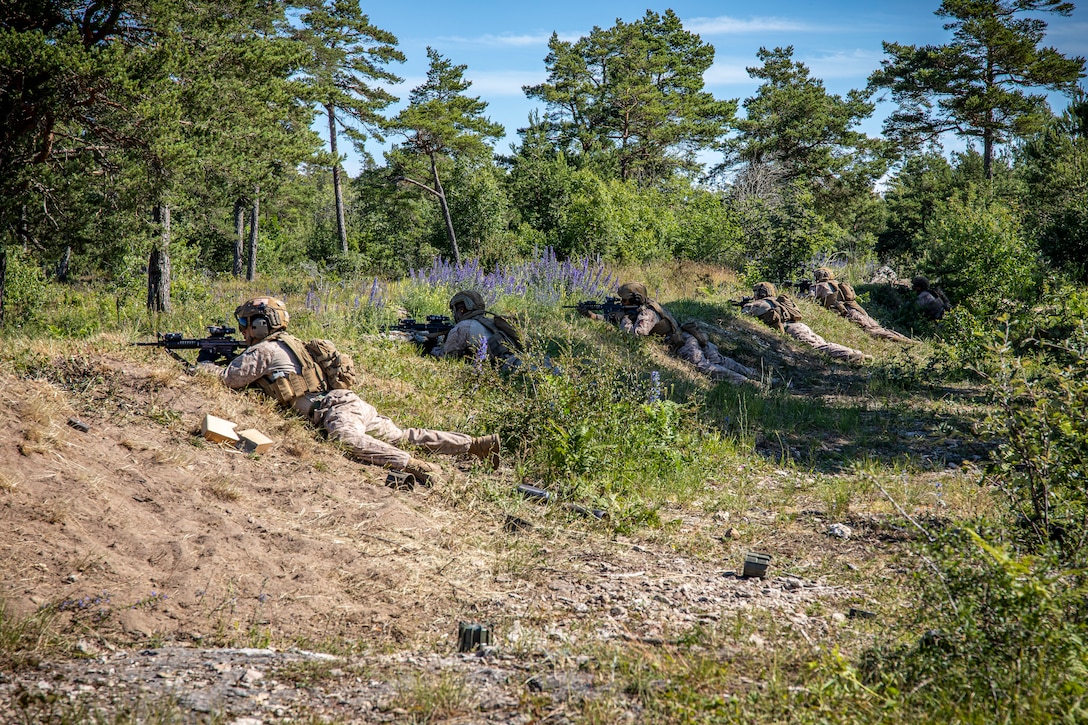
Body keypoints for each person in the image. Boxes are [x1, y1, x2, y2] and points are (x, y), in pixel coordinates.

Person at [199, 296, 500, 486]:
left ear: (263, 325)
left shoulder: (264, 351)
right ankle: (475, 444)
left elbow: (229, 379)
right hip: (352, 403)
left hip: (335, 410)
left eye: (246, 323)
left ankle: (414, 465)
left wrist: (201, 366)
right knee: (404, 434)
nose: (243, 329)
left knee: (347, 439)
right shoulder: (293, 343)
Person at [583, 282, 764, 386]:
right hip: (691, 337)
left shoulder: (647, 313)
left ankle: (751, 384)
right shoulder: (645, 307)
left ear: (635, 299)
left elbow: (637, 334)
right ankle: (759, 377)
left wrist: (624, 321)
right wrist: (594, 316)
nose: (622, 302)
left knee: (705, 367)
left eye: (624, 300)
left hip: (684, 344)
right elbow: (617, 317)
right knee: (720, 362)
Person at [741, 282, 872, 364]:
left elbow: (744, 314)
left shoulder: (758, 303)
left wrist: (744, 304)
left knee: (818, 348)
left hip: (791, 329)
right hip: (801, 326)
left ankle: (851, 355)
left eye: (755, 292)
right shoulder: (779, 300)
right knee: (823, 344)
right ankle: (854, 353)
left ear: (760, 293)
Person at [812, 267, 915, 344]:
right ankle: (909, 341)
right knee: (881, 329)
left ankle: (903, 342)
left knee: (871, 332)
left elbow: (809, 298)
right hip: (859, 310)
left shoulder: (819, 286)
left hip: (849, 312)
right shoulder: (840, 284)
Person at [426, 290, 523, 370]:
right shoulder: (491, 322)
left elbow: (446, 357)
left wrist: (430, 346)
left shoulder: (463, 327)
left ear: (461, 309)